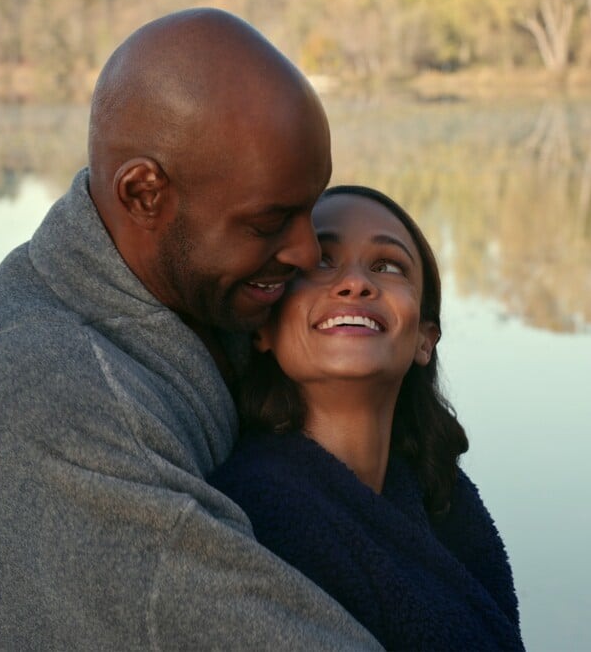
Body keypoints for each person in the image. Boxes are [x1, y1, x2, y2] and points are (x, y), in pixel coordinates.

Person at [0, 10, 381, 649]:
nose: (308, 252)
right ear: (144, 193)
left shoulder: (212, 305)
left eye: (311, 208)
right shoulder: (45, 381)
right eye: (268, 222)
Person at [210, 186, 525, 650]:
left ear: (424, 338)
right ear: (264, 330)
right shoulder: (251, 516)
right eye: (321, 261)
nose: (356, 282)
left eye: (387, 266)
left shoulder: (445, 502)